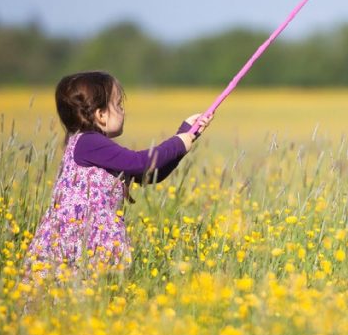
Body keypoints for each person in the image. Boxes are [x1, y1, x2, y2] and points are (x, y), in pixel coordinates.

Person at [24, 71, 211, 281]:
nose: (123, 111)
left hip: (87, 243)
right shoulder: (88, 142)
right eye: (119, 104)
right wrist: (178, 142)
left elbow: (149, 174)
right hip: (78, 243)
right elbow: (141, 163)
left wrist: (186, 136)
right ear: (101, 114)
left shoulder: (93, 147)